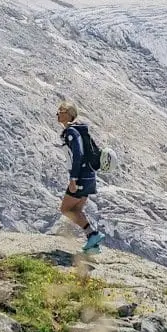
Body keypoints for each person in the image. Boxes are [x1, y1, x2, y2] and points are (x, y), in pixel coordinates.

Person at [56, 101, 105, 252]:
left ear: (69, 113)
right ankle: (93, 244)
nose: (57, 113)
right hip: (89, 176)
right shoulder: (79, 130)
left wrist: (73, 178)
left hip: (81, 177)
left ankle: (93, 234)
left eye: (61, 111)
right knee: (76, 210)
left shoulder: (72, 132)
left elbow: (78, 155)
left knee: (66, 209)